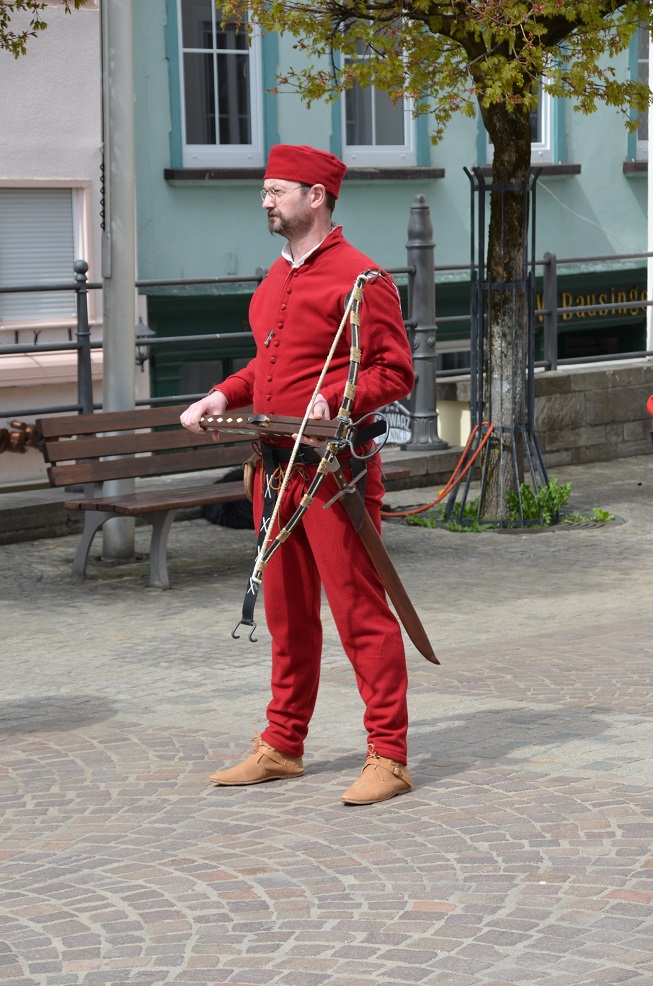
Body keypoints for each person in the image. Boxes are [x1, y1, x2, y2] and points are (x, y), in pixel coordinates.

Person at [181, 144, 415, 805]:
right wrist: (222, 395)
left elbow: (394, 371)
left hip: (335, 476)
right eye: (264, 191)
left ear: (316, 196)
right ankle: (283, 745)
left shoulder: (363, 279)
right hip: (273, 471)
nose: (266, 201)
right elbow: (267, 367)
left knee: (359, 612)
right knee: (286, 615)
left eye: (277, 190)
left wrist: (335, 398)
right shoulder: (273, 280)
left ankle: (389, 756)